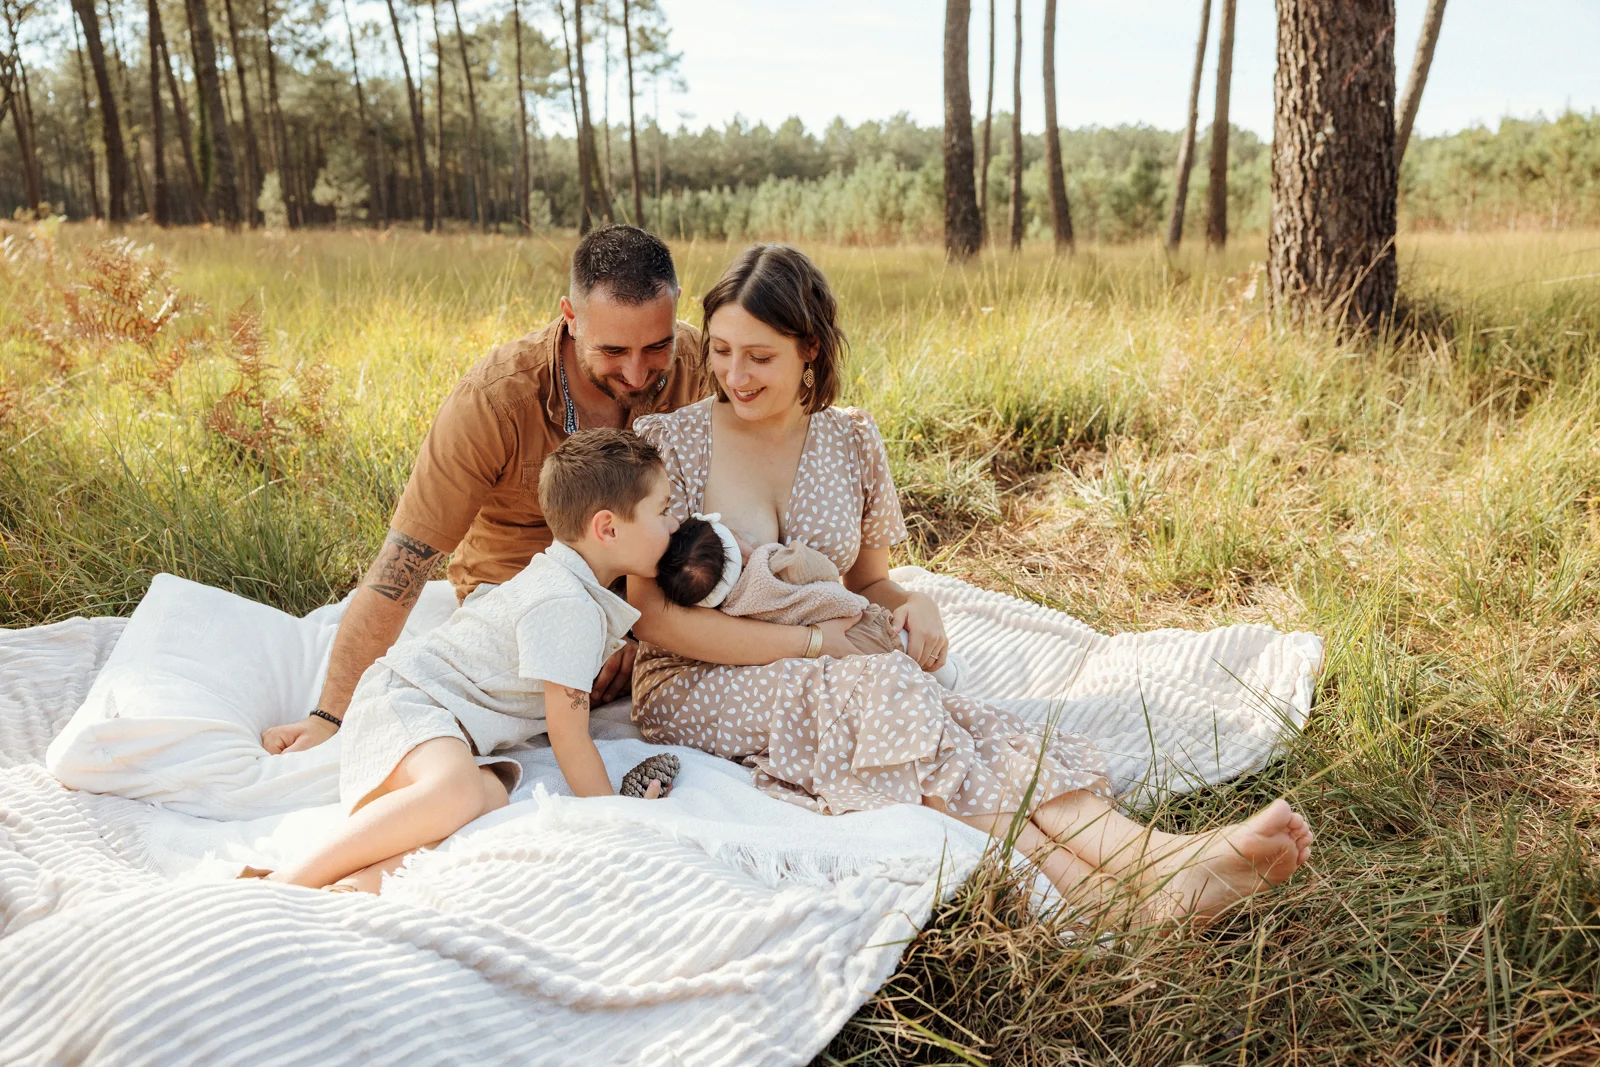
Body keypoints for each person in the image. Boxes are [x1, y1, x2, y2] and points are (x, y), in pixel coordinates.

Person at [628, 244, 1314, 925]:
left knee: (973, 727)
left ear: (810, 347)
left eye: (759, 356)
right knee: (895, 697)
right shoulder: (672, 444)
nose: (734, 374)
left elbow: (870, 580)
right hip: (699, 679)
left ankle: (1154, 865)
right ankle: (1132, 894)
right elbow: (653, 617)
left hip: (835, 665)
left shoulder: (851, 441)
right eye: (720, 350)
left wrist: (914, 602)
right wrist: (814, 644)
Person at [260, 225, 706, 757]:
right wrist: (328, 715)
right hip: (520, 608)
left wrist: (639, 636)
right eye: (612, 351)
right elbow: (402, 565)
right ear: (570, 317)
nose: (636, 374)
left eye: (657, 346)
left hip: (648, 604)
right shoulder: (493, 401)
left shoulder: (702, 361)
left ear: (677, 306)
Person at [262, 430, 678, 892]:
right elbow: (569, 733)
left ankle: (363, 883)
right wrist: (618, 818)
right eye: (662, 511)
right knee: (457, 789)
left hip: (441, 719)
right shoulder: (567, 605)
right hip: (408, 700)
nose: (673, 525)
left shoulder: (570, 585)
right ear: (608, 529)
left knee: (490, 795)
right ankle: (290, 879)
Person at [655, 513, 964, 689]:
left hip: (824, 670)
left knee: (888, 681)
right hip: (859, 625)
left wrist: (918, 600)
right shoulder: (769, 563)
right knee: (906, 648)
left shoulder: (731, 609)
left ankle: (927, 689)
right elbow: (823, 571)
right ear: (741, 553)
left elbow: (872, 580)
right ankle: (949, 679)